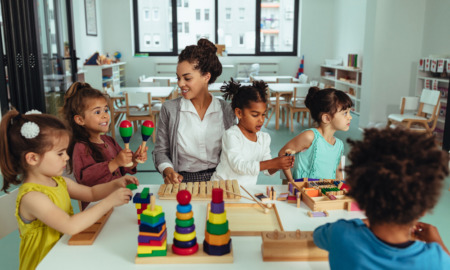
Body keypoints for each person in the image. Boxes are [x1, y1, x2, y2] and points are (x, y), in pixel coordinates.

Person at [0, 110, 138, 270]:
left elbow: (91, 193)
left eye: (66, 152)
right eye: (60, 153)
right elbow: (70, 225)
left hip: (66, 254)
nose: (66, 157)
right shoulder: (32, 197)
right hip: (45, 264)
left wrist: (116, 184)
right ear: (32, 158)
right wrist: (109, 202)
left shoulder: (60, 182)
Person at [313, 128, 450, 269]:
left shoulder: (341, 234)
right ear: (424, 209)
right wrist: (438, 243)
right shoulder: (436, 260)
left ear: (360, 199)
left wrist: (359, 223)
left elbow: (318, 236)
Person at [153, 39, 235, 184]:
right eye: (178, 78)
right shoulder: (170, 109)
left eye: (187, 78)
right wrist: (168, 171)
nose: (180, 84)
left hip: (221, 179)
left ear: (206, 77)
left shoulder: (227, 110)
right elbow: (160, 152)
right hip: (182, 181)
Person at [62, 82, 146, 209]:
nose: (105, 115)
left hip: (118, 202)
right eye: (97, 112)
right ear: (80, 120)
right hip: (97, 208)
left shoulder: (109, 140)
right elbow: (85, 180)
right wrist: (115, 163)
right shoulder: (81, 147)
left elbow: (123, 167)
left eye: (106, 110)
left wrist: (133, 160)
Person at [210, 80, 294, 185]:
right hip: (221, 189)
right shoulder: (231, 135)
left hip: (246, 191)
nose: (261, 120)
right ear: (239, 113)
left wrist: (280, 164)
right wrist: (273, 162)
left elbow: (267, 169)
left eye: (263, 114)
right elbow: (239, 166)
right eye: (255, 115)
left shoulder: (264, 138)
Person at [278, 87, 352, 181]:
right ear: (326, 118)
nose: (350, 117)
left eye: (349, 112)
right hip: (304, 193)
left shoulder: (339, 145)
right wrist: (291, 181)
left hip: (326, 194)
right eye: (345, 113)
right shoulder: (310, 136)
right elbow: (282, 153)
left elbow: (338, 174)